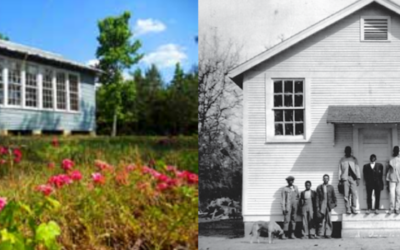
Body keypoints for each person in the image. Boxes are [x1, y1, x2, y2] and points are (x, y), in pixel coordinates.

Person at [338, 146, 361, 214]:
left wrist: (358, 178)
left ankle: (353, 208)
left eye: (349, 151)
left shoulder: (354, 159)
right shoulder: (342, 159)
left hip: (353, 178)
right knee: (346, 194)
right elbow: (339, 170)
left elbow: (357, 168)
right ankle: (348, 208)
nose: (348, 152)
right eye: (347, 151)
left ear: (350, 151)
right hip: (345, 178)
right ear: (345, 151)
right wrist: (339, 180)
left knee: (354, 193)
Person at [316, 174, 337, 239]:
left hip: (328, 205)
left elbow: (334, 196)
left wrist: (334, 204)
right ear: (323, 179)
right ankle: (321, 234)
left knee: (328, 219)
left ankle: (328, 234)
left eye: (327, 178)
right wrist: (317, 206)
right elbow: (317, 198)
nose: (326, 179)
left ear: (328, 179)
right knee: (321, 220)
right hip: (322, 204)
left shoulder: (331, 187)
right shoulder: (319, 187)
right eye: (324, 178)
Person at [387, 146, 400, 214]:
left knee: (398, 194)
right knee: (392, 194)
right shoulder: (390, 158)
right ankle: (391, 208)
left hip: (399, 179)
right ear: (393, 151)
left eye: (397, 151)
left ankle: (397, 208)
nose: (396, 152)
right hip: (392, 178)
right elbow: (388, 168)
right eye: (395, 151)